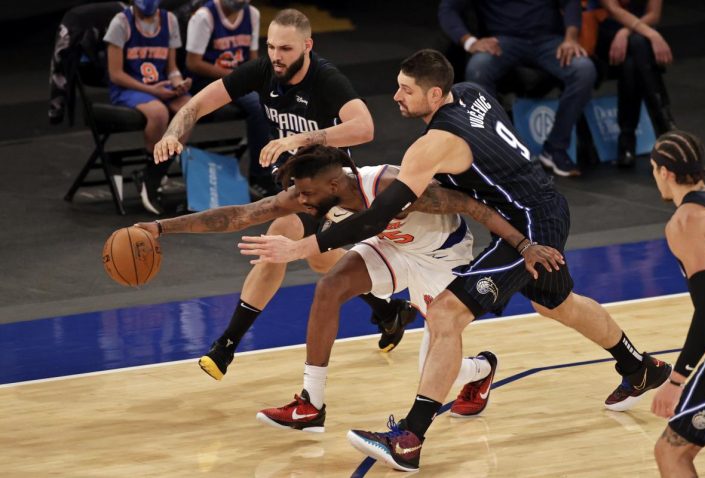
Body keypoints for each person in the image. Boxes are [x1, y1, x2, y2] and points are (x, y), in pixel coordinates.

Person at [238, 50, 672, 472]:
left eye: (406, 90)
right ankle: (639, 366)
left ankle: (409, 438)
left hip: (529, 224)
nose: (396, 97)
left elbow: (374, 217)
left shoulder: (434, 145)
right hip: (540, 207)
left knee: (446, 312)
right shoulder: (468, 91)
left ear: (434, 95)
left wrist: (303, 248)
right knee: (557, 303)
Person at [137, 144, 563, 431]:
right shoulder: (316, 191)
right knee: (330, 285)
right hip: (392, 248)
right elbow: (241, 214)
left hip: (441, 258)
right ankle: (310, 404)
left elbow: (473, 207)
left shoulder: (395, 186)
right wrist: (159, 227)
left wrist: (525, 246)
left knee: (434, 371)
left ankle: (482, 368)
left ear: (335, 186)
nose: (301, 202)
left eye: (307, 193)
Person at [152, 8, 416, 379]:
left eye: (286, 49)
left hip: (331, 183)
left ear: (308, 46)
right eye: (272, 46)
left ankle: (225, 346)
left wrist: (302, 138)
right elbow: (197, 104)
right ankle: (390, 311)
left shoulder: (326, 79)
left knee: (277, 240)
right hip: (294, 182)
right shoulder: (263, 71)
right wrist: (171, 134)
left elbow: (366, 126)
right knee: (322, 261)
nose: (277, 55)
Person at [438, 0, 596, 177]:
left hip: (548, 40)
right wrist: (469, 41)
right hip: (502, 41)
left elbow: (570, 3)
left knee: (584, 70)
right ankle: (495, 150)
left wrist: (571, 38)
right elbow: (448, 8)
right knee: (478, 68)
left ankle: (556, 147)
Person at [647, 131, 705, 477]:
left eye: (654, 169)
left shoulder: (686, 222)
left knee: (671, 453)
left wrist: (676, 380)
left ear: (666, 173)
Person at [104, 0, 193, 214]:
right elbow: (115, 74)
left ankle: (150, 175)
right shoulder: (121, 23)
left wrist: (178, 83)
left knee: (190, 107)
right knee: (159, 113)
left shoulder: (169, 20)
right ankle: (152, 180)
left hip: (161, 86)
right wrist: (152, 91)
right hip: (128, 89)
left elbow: (171, 68)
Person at [185, 0, 275, 197]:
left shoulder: (252, 14)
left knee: (281, 96)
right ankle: (260, 175)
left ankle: (281, 166)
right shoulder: (204, 16)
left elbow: (252, 58)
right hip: (207, 82)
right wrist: (238, 78)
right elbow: (192, 63)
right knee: (260, 106)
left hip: (239, 80)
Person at [597, 0, 676, 167]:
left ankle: (626, 139)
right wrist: (652, 34)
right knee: (638, 45)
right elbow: (613, 9)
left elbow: (654, 14)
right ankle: (665, 128)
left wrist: (626, 32)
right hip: (606, 33)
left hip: (637, 35)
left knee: (632, 60)